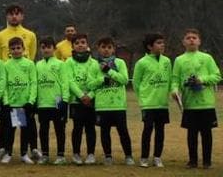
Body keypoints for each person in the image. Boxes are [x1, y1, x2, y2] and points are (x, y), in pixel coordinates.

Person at [172, 28, 219, 169]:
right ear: (183, 42)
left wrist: (202, 80)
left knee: (206, 134)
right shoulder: (179, 60)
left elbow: (217, 76)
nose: (191, 40)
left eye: (194, 37)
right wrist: (175, 91)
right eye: (188, 38)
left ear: (199, 41)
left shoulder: (207, 58)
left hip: (206, 103)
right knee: (191, 134)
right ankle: (192, 161)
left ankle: (207, 161)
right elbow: (175, 80)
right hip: (189, 104)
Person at [133, 32, 172, 167]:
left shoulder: (167, 61)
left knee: (160, 131)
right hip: (148, 103)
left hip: (162, 103)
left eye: (162, 42)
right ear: (150, 46)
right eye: (159, 43)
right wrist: (143, 98)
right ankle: (144, 157)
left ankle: (157, 157)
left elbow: (170, 79)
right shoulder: (142, 63)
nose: (162, 45)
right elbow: (136, 83)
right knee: (148, 129)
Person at [0, 37, 38, 164]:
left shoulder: (29, 64)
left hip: (24, 104)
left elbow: (33, 83)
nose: (16, 51)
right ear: (9, 50)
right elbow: (3, 85)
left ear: (23, 49)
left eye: (18, 48)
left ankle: (24, 154)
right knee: (10, 131)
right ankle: (8, 153)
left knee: (25, 131)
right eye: (13, 49)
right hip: (12, 104)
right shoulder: (6, 65)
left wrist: (30, 101)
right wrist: (6, 102)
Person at [93, 37, 132, 165]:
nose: (106, 50)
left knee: (123, 131)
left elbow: (124, 80)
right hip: (102, 105)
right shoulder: (94, 64)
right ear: (98, 48)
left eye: (109, 47)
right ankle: (108, 156)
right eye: (103, 47)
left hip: (118, 104)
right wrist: (102, 80)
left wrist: (108, 71)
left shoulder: (120, 63)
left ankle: (128, 156)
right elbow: (90, 83)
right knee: (104, 132)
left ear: (114, 49)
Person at [64, 33, 101, 165]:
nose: (80, 45)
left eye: (83, 42)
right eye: (77, 43)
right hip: (76, 100)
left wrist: (90, 96)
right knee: (77, 128)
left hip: (91, 100)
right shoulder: (68, 62)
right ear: (73, 46)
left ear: (87, 45)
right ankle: (76, 154)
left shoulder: (95, 63)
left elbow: (98, 82)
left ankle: (91, 154)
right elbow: (69, 80)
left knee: (90, 127)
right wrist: (80, 96)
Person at [35, 38, 69, 164]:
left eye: (49, 47)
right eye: (43, 47)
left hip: (57, 102)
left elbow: (65, 83)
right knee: (43, 130)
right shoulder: (38, 65)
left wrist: (64, 100)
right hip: (43, 102)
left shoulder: (61, 64)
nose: (46, 50)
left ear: (54, 49)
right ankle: (45, 155)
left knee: (59, 129)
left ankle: (61, 155)